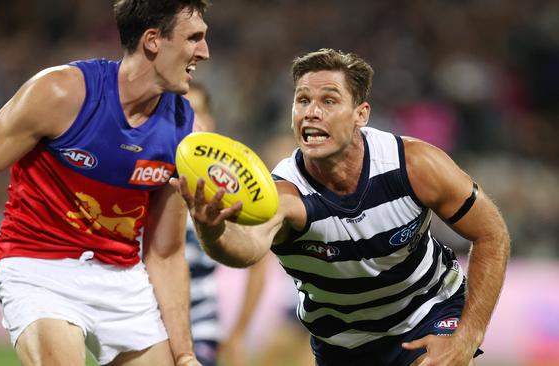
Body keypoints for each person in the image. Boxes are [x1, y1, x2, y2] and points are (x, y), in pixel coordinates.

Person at [171, 48, 510, 366]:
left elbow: (491, 233)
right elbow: (244, 251)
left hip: (427, 312)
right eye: (302, 100)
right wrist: (211, 227)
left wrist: (468, 335)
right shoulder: (285, 194)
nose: (311, 112)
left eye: (328, 100)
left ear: (361, 114)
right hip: (342, 342)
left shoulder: (415, 165)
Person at [0, 1, 211, 365]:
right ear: (153, 40)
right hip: (39, 267)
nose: (204, 52)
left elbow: (164, 252)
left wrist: (185, 354)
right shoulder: (62, 93)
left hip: (122, 280)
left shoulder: (185, 134)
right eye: (194, 38)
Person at [184, 82, 268, 366]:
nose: (191, 121)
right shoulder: (144, 174)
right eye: (181, 112)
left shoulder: (221, 188)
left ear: (211, 122)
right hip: (140, 320)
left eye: (198, 112)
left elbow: (258, 257)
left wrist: (239, 332)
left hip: (199, 326)